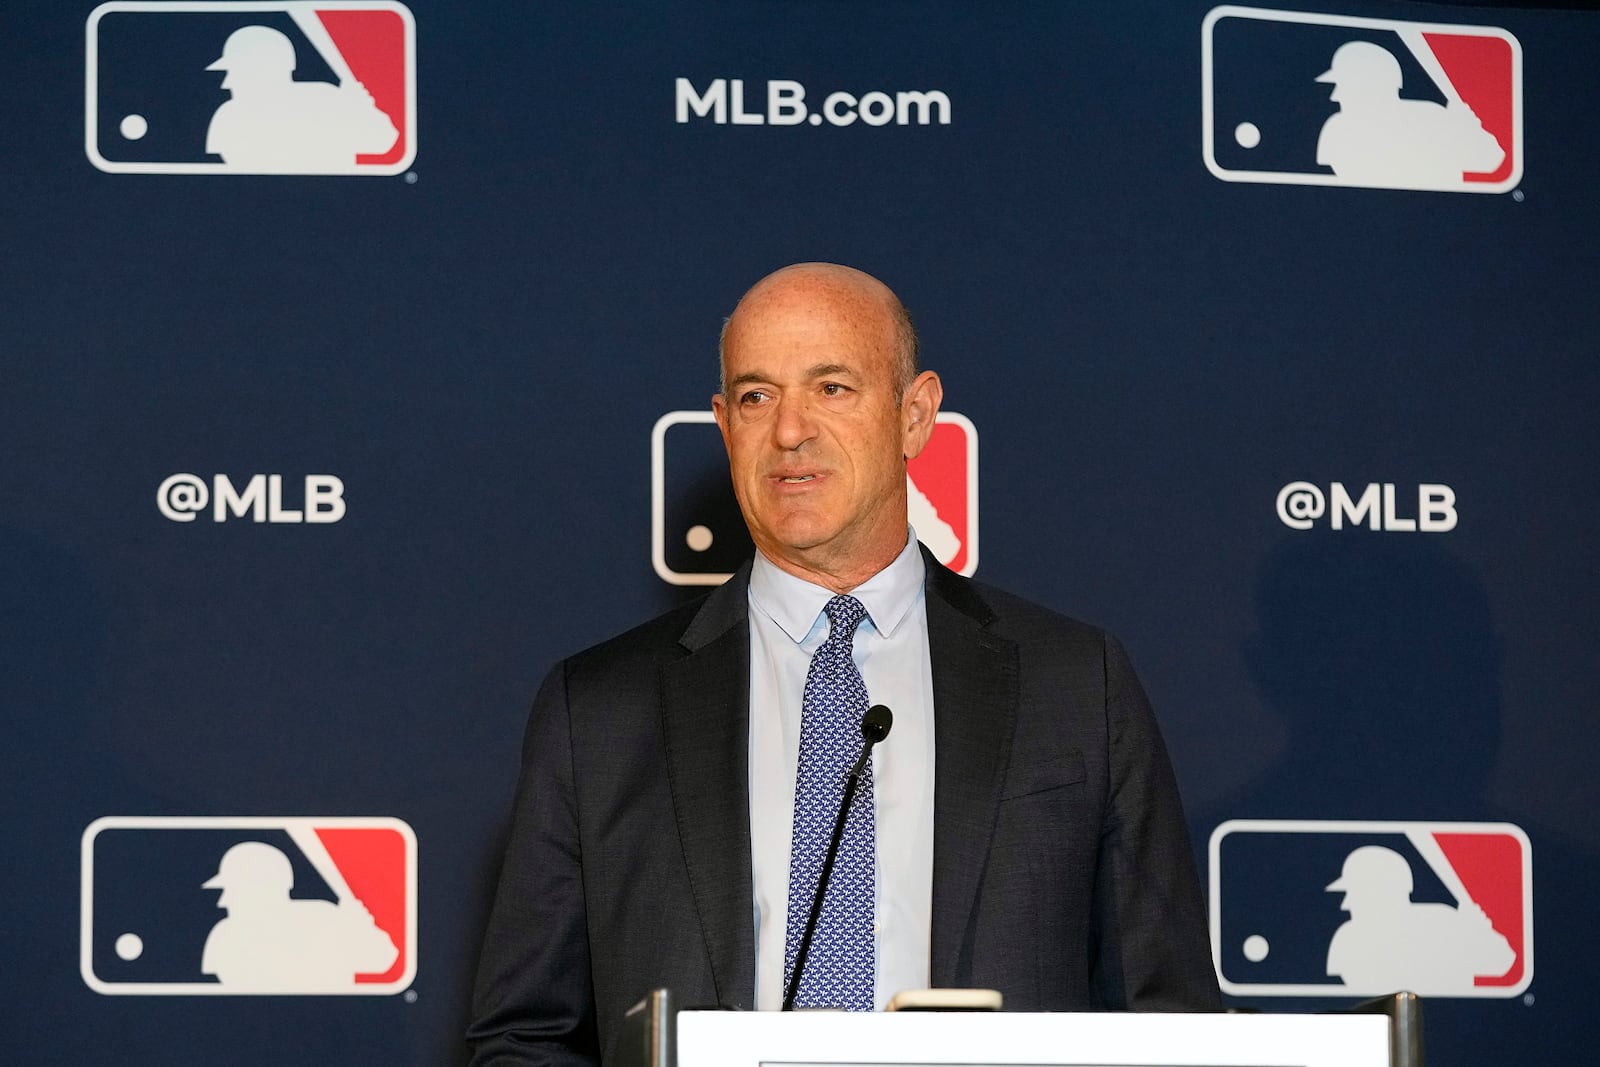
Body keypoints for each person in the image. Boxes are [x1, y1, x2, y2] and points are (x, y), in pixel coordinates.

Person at [468, 263, 1220, 1065]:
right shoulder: (600, 711)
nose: (789, 429)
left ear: (916, 415)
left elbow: (1168, 1025)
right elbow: (525, 1038)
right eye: (756, 396)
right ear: (724, 426)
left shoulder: (1076, 685)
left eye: (831, 387)